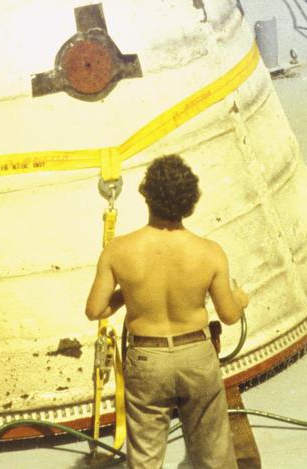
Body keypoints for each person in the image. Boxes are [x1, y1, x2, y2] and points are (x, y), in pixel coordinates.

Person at [84, 154, 249, 469]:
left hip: (148, 358)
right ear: (190, 202)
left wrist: (127, 292)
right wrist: (241, 297)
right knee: (213, 455)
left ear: (147, 196)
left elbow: (95, 310)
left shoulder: (118, 250)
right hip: (197, 356)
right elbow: (228, 315)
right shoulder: (210, 252)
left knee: (145, 457)